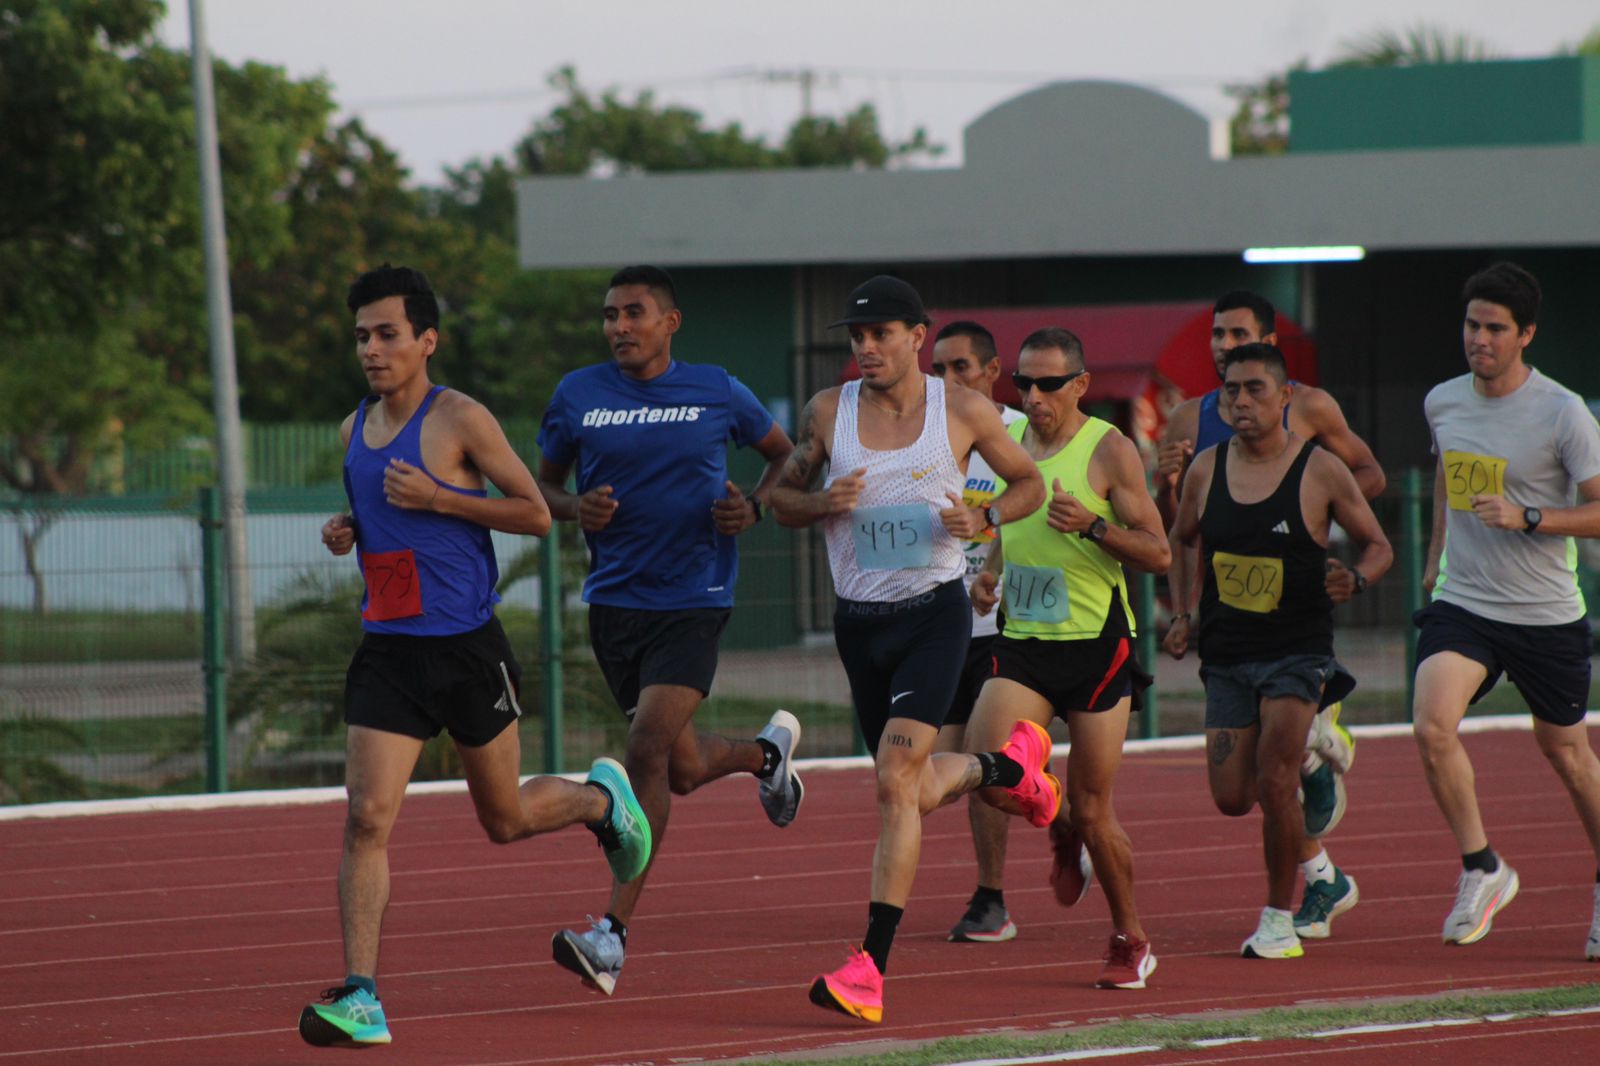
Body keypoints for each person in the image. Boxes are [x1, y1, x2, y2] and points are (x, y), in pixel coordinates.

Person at [300, 265, 652, 1048]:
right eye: (362, 335)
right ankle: (362, 996)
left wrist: (442, 499)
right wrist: (347, 529)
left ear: (427, 340)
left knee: (505, 818)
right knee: (365, 818)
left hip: (466, 651)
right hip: (389, 649)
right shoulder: (352, 428)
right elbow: (377, 514)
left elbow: (535, 513)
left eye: (387, 333)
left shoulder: (460, 418)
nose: (372, 349)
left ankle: (600, 802)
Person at [769, 275, 1049, 1024]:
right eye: (856, 336)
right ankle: (1008, 768)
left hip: (933, 615)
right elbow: (779, 500)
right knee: (914, 789)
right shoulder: (829, 413)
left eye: (881, 333)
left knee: (895, 781)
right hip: (859, 625)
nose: (865, 347)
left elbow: (1029, 486)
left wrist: (984, 522)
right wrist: (820, 502)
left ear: (917, 337)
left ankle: (869, 967)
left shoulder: (961, 409)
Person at [535, 265, 801, 996]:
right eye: (610, 315)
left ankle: (611, 936)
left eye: (634, 313)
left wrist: (755, 505)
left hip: (695, 594)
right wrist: (574, 508)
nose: (619, 326)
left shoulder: (716, 387)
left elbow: (784, 454)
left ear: (669, 322)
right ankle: (765, 756)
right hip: (615, 604)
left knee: (645, 747)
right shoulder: (577, 395)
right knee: (678, 768)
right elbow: (543, 485)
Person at [1157, 290, 1385, 938]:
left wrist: (1319, 511)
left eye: (1239, 336)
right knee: (1236, 795)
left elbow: (1368, 493)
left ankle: (1277, 916)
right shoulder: (1190, 428)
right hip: (1228, 641)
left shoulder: (1313, 419)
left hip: (1297, 637)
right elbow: (1175, 526)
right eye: (1218, 338)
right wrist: (1181, 609)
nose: (1226, 349)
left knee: (1274, 777)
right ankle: (1321, 862)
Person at [963, 327, 1171, 989]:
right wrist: (992, 570)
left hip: (1097, 650)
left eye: (1049, 383)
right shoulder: (1009, 444)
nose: (1033, 395)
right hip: (1024, 643)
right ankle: (1049, 807)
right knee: (987, 776)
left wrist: (1095, 526)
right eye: (1023, 383)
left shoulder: (1107, 449)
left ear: (1080, 384)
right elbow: (1015, 519)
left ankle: (1130, 937)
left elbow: (1158, 552)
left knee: (1095, 809)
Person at [1412, 262, 1600, 955]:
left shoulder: (1562, 411)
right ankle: (1483, 867)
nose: (1479, 340)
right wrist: (1434, 557)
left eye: (1494, 329)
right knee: (1432, 726)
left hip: (1545, 610)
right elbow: (1445, 475)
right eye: (1471, 325)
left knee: (1567, 752)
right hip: (1464, 602)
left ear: (1526, 335)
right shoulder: (1443, 401)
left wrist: (1529, 515)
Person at [927, 320, 1034, 944]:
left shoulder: (1021, 434)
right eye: (936, 369)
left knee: (978, 766)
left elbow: (1041, 509)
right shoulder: (915, 437)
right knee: (933, 777)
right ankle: (1068, 814)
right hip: (939, 625)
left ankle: (990, 898)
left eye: (959, 368)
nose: (946, 381)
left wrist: (988, 535)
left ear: (992, 373)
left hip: (1007, 629)